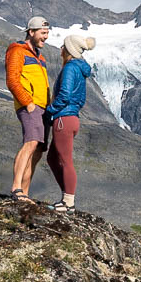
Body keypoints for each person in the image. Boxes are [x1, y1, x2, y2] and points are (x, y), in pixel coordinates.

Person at [46, 34, 96, 212]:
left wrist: (50, 111)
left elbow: (65, 95)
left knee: (66, 161)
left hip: (63, 119)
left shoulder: (70, 68)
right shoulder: (80, 70)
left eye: (63, 46)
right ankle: (66, 198)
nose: (60, 49)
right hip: (72, 118)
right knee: (52, 158)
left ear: (69, 50)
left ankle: (69, 202)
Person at [5, 16, 51, 201]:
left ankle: (24, 192)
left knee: (38, 150)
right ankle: (16, 188)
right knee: (31, 142)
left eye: (47, 33)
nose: (46, 37)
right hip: (30, 106)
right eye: (42, 33)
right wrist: (28, 102)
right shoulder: (17, 52)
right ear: (31, 32)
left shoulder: (40, 57)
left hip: (43, 108)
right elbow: (12, 80)